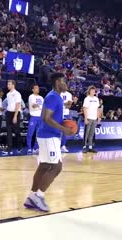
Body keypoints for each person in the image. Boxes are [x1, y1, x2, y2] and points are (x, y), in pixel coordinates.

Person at [23, 73, 73, 212]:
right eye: (64, 81)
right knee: (56, 167)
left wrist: (64, 124)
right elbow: (46, 117)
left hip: (46, 135)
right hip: (49, 136)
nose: (66, 84)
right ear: (57, 82)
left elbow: (52, 117)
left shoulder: (54, 97)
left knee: (44, 166)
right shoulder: (53, 97)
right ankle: (39, 196)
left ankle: (32, 196)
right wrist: (63, 129)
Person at [5, 80, 23, 153]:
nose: (7, 85)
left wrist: (15, 116)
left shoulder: (17, 94)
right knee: (8, 131)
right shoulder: (8, 94)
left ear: (13, 85)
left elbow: (18, 105)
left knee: (16, 131)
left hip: (15, 113)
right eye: (7, 84)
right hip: (9, 113)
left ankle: (20, 147)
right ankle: (9, 148)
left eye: (9, 84)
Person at [82, 86, 100, 153]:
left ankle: (90, 147)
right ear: (89, 91)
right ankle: (84, 147)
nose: (93, 92)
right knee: (86, 133)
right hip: (89, 118)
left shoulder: (96, 99)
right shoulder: (87, 99)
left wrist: (98, 118)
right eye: (92, 90)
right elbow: (85, 109)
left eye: (94, 91)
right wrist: (86, 118)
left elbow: (97, 109)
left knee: (92, 133)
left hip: (94, 118)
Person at [27, 84, 43, 154]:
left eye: (38, 88)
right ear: (33, 90)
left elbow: (44, 107)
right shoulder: (31, 96)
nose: (38, 89)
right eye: (36, 88)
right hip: (33, 117)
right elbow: (33, 105)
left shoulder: (42, 98)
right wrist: (39, 106)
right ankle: (29, 148)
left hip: (40, 117)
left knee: (38, 134)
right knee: (30, 133)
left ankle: (36, 148)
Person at [60, 88, 72, 153]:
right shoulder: (58, 93)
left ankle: (63, 146)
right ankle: (56, 146)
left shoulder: (69, 94)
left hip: (66, 114)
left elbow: (69, 106)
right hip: (58, 113)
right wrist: (65, 103)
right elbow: (57, 105)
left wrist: (63, 104)